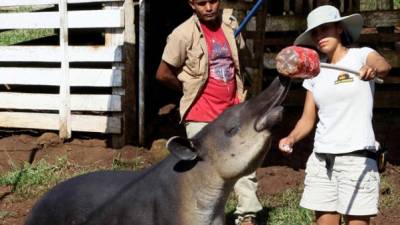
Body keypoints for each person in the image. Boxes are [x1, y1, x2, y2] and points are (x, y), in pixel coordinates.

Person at [278, 5, 391, 225]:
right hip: (322, 160)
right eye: (315, 33)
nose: (320, 36)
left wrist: (372, 70)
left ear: (339, 28)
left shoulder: (361, 55)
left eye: (325, 29)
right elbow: (307, 119)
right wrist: (291, 138)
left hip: (357, 159)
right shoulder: (315, 72)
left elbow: (383, 65)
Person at [156, 0, 263, 224]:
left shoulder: (230, 25)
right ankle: (205, 217)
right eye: (201, 3)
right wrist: (187, 89)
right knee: (203, 169)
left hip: (232, 110)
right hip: (201, 112)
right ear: (191, 4)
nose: (209, 7)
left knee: (243, 160)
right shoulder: (182, 34)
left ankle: (247, 215)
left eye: (212, 1)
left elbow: (240, 59)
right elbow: (163, 73)